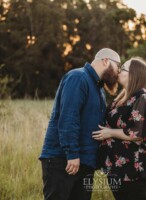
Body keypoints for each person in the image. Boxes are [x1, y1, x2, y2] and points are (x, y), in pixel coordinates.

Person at [39, 48, 121, 200]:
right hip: (63, 160)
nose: (118, 72)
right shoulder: (78, 77)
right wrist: (72, 153)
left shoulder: (99, 89)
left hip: (84, 162)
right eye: (118, 67)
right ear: (106, 61)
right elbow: (69, 118)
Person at [93, 57, 146, 200]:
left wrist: (109, 132)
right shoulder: (124, 97)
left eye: (123, 68)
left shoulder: (142, 98)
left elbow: (138, 132)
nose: (119, 70)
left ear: (133, 74)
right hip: (118, 168)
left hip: (134, 169)